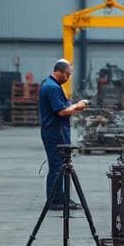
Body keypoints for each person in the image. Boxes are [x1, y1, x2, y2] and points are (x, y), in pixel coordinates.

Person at [39, 59, 89, 211]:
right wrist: (78, 106)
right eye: (67, 74)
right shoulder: (52, 87)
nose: (68, 78)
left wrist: (73, 106)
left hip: (57, 131)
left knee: (61, 165)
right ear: (59, 72)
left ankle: (61, 198)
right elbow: (61, 111)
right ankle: (54, 201)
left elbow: (64, 106)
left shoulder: (53, 85)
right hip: (55, 132)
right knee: (57, 167)